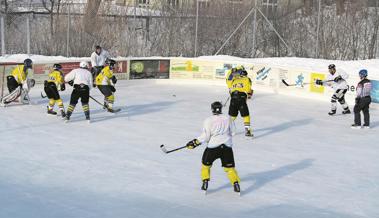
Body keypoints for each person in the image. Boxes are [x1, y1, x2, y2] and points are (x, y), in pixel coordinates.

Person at [186, 101, 241, 194]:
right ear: (221, 108)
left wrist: (195, 142)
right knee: (230, 168)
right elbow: (234, 132)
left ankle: (205, 182)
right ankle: (236, 184)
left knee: (206, 165)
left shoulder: (208, 120)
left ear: (212, 109)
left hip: (213, 147)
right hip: (227, 146)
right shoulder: (228, 118)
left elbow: (206, 136)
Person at [228, 66, 253, 137]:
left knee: (232, 116)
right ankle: (247, 131)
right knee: (246, 115)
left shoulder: (234, 79)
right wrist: (249, 94)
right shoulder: (247, 79)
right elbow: (248, 90)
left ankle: (226, 129)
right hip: (241, 98)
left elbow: (229, 85)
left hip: (233, 98)